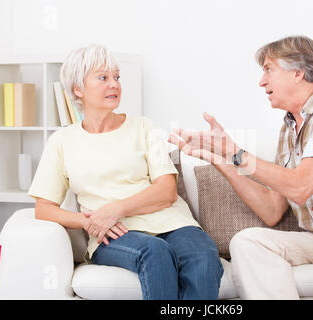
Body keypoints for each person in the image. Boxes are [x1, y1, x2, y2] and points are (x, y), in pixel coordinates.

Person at [168, 35, 313, 300]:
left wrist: (237, 152)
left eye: (269, 69)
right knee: (247, 241)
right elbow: (271, 211)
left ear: (298, 73)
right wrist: (222, 160)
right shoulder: (289, 128)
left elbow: (301, 186)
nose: (261, 81)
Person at [28, 44, 223, 300]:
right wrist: (87, 222)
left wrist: (117, 208)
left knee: (204, 257)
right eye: (103, 77)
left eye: (116, 77)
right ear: (78, 89)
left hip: (173, 223)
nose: (114, 84)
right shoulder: (62, 141)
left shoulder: (144, 128)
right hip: (116, 234)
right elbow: (44, 208)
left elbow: (166, 192)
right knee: (155, 251)